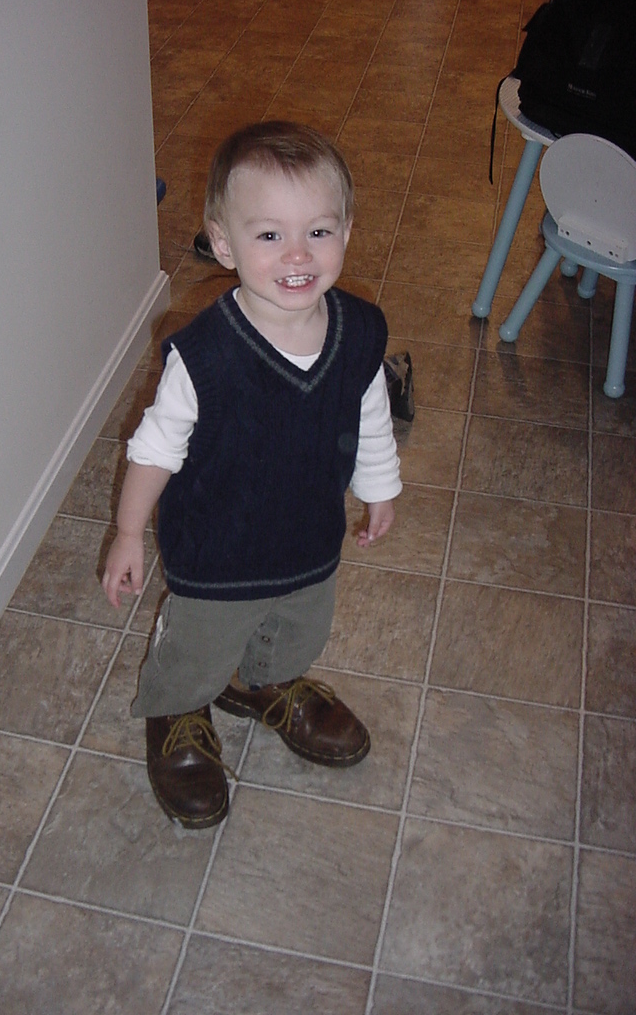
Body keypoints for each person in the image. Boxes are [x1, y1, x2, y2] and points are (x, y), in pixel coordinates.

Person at [102, 121, 402, 830]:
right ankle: (179, 709)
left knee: (300, 627)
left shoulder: (360, 332)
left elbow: (369, 412)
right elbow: (155, 448)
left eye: (318, 232)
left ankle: (263, 681)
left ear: (347, 232)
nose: (298, 254)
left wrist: (379, 486)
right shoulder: (204, 354)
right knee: (198, 645)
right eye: (269, 235)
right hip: (217, 549)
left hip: (309, 538)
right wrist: (128, 531)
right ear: (224, 243)